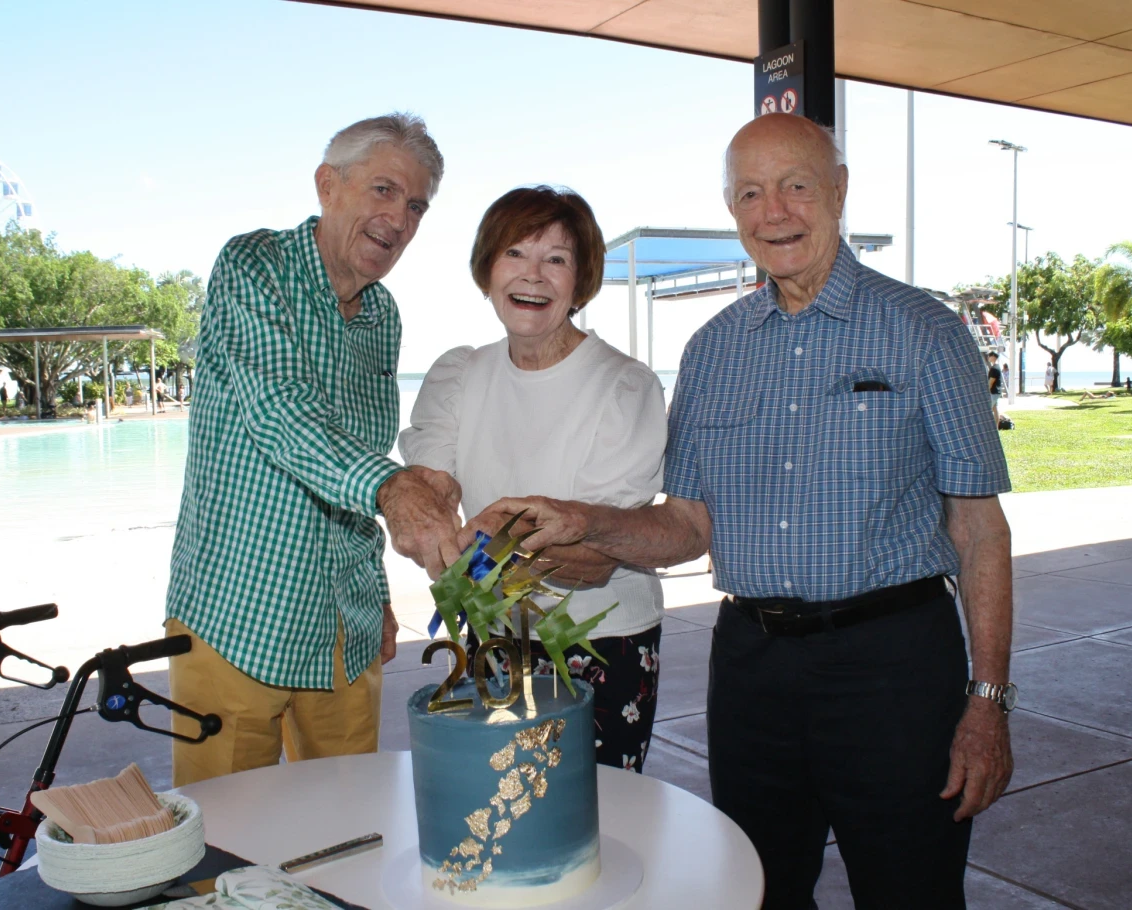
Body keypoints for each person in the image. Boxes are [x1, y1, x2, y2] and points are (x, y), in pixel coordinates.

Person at [476, 114, 1015, 909]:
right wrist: (586, 522)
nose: (774, 211)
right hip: (752, 667)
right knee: (754, 887)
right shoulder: (713, 348)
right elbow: (686, 524)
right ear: (732, 210)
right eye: (750, 193)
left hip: (894, 666)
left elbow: (978, 531)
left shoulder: (922, 331)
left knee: (912, 888)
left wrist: (987, 702)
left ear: (837, 190)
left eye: (795, 185)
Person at [165, 114, 463, 787]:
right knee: (223, 850)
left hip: (345, 625)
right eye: (384, 191)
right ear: (328, 185)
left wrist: (377, 593)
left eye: (416, 205)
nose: (400, 218)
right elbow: (281, 417)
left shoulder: (383, 315)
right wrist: (395, 488)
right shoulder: (254, 266)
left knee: (344, 835)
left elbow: (350, 462)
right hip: (236, 614)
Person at [399, 186, 667, 772]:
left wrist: (469, 551)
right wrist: (426, 517)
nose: (533, 275)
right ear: (488, 270)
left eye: (557, 259)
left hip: (600, 640)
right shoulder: (461, 373)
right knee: (497, 817)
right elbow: (427, 489)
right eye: (515, 253)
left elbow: (590, 556)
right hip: (493, 638)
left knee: (594, 818)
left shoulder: (625, 386)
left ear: (581, 280)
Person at [987, 351, 1003, 428]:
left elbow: (991, 382)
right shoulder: (997, 367)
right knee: (995, 408)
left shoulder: (994, 369)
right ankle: (996, 427)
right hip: (997, 391)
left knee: (988, 408)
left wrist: (987, 391)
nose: (988, 357)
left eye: (989, 355)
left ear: (993, 356)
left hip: (993, 392)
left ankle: (990, 427)